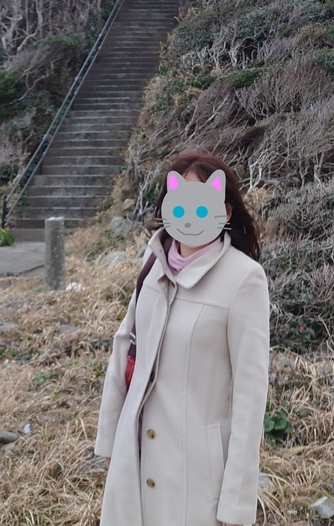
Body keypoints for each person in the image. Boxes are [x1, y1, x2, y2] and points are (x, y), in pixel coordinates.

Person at [95, 150, 269, 526]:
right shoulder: (152, 263)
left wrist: (236, 505)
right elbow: (125, 345)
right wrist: (111, 442)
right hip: (135, 459)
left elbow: (250, 397)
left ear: (224, 212)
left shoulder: (244, 278)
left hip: (195, 477)